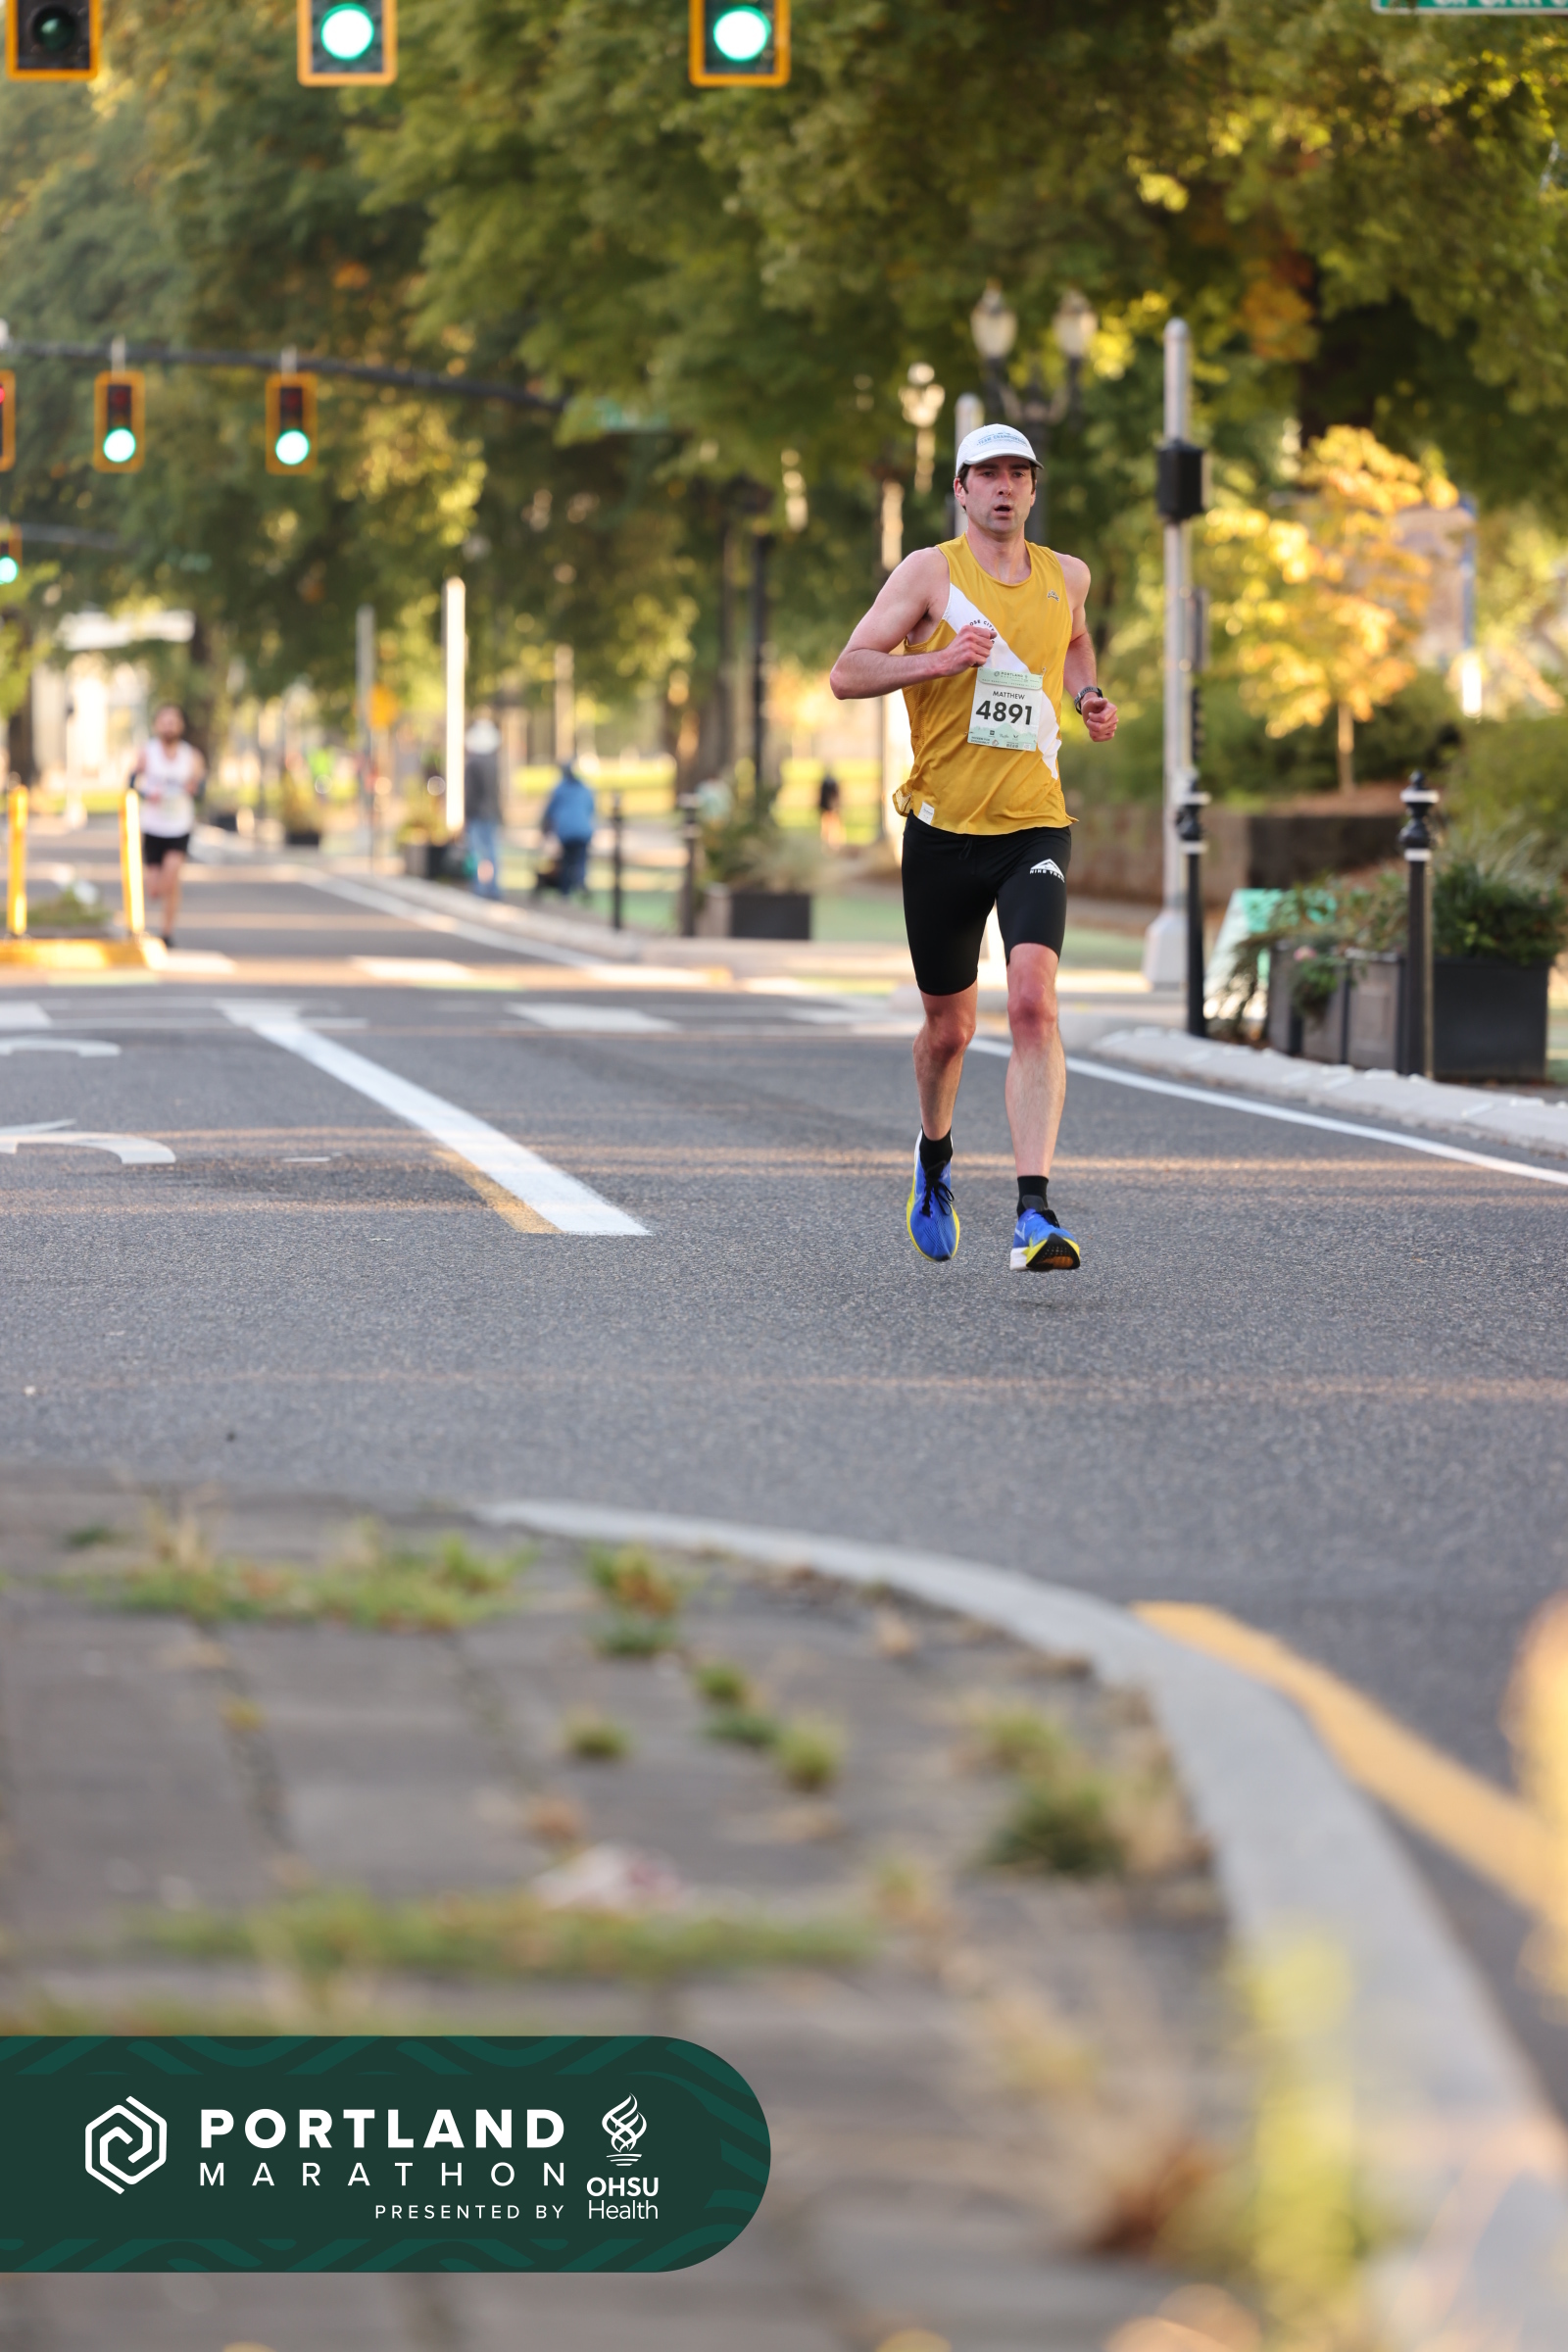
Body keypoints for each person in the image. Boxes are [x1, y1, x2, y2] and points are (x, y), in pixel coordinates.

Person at [829, 422, 1118, 1272]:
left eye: (1017, 474)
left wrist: (1088, 695)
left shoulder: (1068, 576)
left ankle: (1034, 1213)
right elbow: (848, 671)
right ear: (960, 489)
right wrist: (940, 661)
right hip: (943, 833)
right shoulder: (930, 574)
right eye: (986, 473)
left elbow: (1073, 639)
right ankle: (934, 1156)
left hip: (1033, 823)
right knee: (948, 1032)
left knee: (1033, 1003)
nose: (1003, 487)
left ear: (1033, 488)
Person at [130, 702, 206, 950]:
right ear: (157, 725)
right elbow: (131, 782)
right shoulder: (147, 753)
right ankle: (159, 914)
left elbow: (202, 787)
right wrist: (145, 794)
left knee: (171, 879)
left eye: (173, 722)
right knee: (155, 889)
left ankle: (167, 932)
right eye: (164, 722)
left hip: (179, 826)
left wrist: (194, 788)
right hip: (153, 826)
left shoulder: (191, 756)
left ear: (180, 725)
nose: (169, 727)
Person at [533, 760, 596, 900]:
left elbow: (549, 811)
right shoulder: (585, 788)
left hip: (566, 831)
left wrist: (544, 827)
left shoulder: (559, 789)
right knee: (581, 860)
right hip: (584, 830)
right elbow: (591, 808)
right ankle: (580, 881)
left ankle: (565, 892)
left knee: (566, 861)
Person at [464, 717, 505, 900]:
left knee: (478, 851)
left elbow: (470, 793)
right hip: (491, 812)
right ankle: (493, 887)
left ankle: (480, 887)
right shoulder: (494, 763)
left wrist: (467, 815)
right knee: (492, 851)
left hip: (477, 813)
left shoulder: (473, 764)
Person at [817, 769, 845, 849]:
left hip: (829, 808)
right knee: (829, 827)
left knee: (831, 827)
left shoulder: (825, 784)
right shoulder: (833, 784)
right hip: (832, 808)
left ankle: (833, 843)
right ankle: (830, 843)